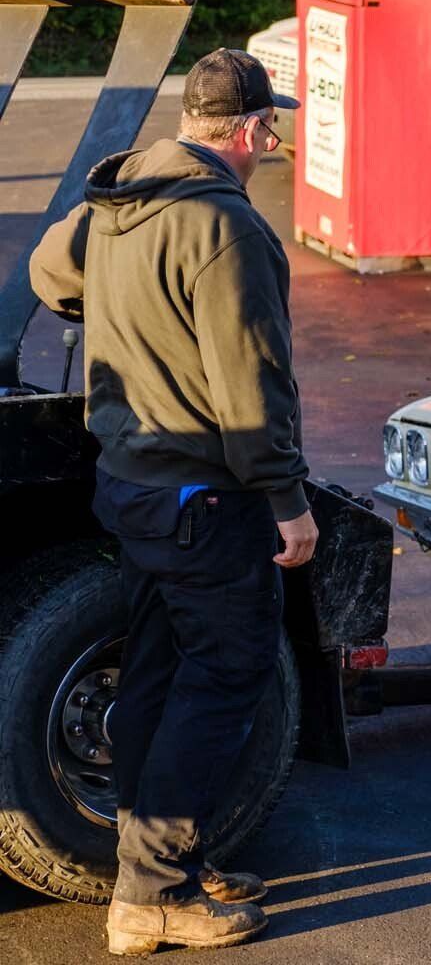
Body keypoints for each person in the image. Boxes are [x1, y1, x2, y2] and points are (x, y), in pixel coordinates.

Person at [29, 48, 313, 955]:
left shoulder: (117, 201)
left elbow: (49, 272)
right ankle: (151, 897)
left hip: (133, 490)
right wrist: (289, 501)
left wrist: (116, 310)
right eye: (271, 130)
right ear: (252, 131)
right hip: (206, 500)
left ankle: (156, 866)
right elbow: (251, 385)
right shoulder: (225, 227)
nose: (270, 144)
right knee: (227, 673)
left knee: (156, 671)